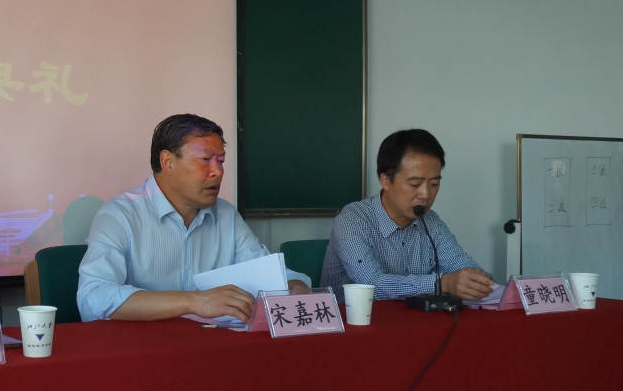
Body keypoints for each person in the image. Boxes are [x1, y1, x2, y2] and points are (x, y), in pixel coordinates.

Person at [77, 113, 310, 322]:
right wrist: (194, 301)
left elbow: (265, 271)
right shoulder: (120, 215)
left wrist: (294, 286)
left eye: (221, 161)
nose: (217, 171)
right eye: (206, 160)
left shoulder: (226, 215)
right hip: (143, 347)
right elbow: (93, 298)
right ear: (168, 162)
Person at [320, 128, 493, 301]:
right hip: (355, 317)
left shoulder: (431, 221)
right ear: (385, 181)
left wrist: (479, 282)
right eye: (415, 184)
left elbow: (461, 265)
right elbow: (372, 285)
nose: (425, 194)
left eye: (434, 184)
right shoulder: (352, 220)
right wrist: (441, 284)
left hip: (414, 317)